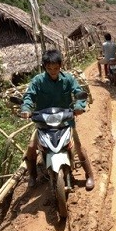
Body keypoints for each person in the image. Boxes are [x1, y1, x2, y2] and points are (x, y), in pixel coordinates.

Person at [20, 49, 95, 191]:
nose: (53, 71)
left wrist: (79, 106)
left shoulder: (68, 79)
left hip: (65, 121)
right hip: (43, 123)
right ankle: (32, 175)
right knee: (31, 147)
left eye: (56, 68)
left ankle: (89, 175)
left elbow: (78, 92)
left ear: (61, 66)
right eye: (49, 68)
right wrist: (26, 109)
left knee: (78, 146)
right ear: (44, 67)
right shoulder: (37, 81)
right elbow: (29, 96)